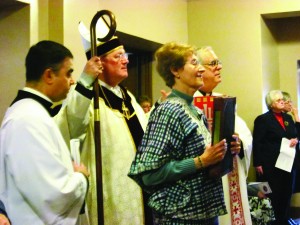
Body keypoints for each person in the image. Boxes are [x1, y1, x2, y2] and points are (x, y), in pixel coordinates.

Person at [128, 42, 242, 224]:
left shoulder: (193, 110)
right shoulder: (168, 110)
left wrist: (224, 150)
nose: (201, 70)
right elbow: (148, 174)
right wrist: (201, 162)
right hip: (181, 216)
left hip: (204, 212)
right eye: (194, 63)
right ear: (175, 70)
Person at [55, 23, 151, 225]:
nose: (126, 61)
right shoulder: (87, 94)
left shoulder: (128, 96)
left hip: (141, 190)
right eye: (118, 56)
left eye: (125, 55)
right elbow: (71, 126)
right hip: (110, 192)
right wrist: (86, 80)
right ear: (100, 63)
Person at [0, 40, 100, 224]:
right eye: (68, 72)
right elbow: (52, 194)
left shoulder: (31, 112)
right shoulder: (27, 119)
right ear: (48, 75)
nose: (72, 80)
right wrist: (81, 177)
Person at [194, 46, 253, 224]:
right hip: (202, 178)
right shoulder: (186, 102)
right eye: (213, 63)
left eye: (219, 63)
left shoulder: (223, 101)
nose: (219, 67)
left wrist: (239, 144)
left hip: (229, 175)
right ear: (198, 69)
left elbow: (244, 133)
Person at [253, 90, 300, 225]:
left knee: (287, 193)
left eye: (282, 100)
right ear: (271, 104)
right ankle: (276, 221)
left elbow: (295, 134)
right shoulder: (263, 119)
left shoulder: (287, 118)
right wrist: (258, 163)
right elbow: (258, 142)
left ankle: (284, 220)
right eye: (278, 100)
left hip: (288, 161)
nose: (282, 102)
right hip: (271, 162)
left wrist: (295, 140)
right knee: (275, 194)